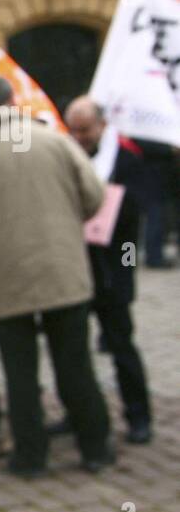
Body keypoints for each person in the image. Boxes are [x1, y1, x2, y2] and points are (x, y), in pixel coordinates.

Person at [0, 77, 112, 478]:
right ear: (12, 101)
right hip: (63, 272)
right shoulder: (55, 141)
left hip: (3, 279)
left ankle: (30, 456)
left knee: (19, 372)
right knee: (75, 364)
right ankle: (95, 446)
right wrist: (65, 226)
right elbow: (94, 195)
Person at [62, 96, 152, 444]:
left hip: (115, 267)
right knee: (72, 350)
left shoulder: (126, 159)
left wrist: (108, 206)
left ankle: (138, 415)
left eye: (85, 129)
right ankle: (78, 413)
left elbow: (139, 208)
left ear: (101, 125)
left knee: (121, 347)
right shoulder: (67, 156)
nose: (80, 136)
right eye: (74, 130)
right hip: (76, 268)